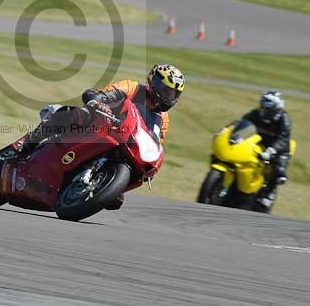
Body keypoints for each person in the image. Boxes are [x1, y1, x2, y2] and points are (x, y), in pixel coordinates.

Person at [17, 63, 186, 209]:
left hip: (124, 148)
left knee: (116, 199)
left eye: (172, 94)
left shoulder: (163, 120)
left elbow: (153, 144)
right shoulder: (133, 88)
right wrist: (98, 102)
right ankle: (28, 142)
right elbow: (100, 95)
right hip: (100, 128)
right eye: (165, 90)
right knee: (81, 114)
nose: (167, 96)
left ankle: (97, 183)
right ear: (153, 82)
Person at [233, 90, 291, 208]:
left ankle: (269, 193)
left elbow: (283, 140)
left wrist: (270, 151)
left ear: (276, 108)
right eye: (263, 107)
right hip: (257, 141)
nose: (264, 110)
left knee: (279, 169)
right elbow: (242, 123)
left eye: (268, 109)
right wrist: (236, 135)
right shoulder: (255, 114)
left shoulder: (284, 119)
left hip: (275, 146)